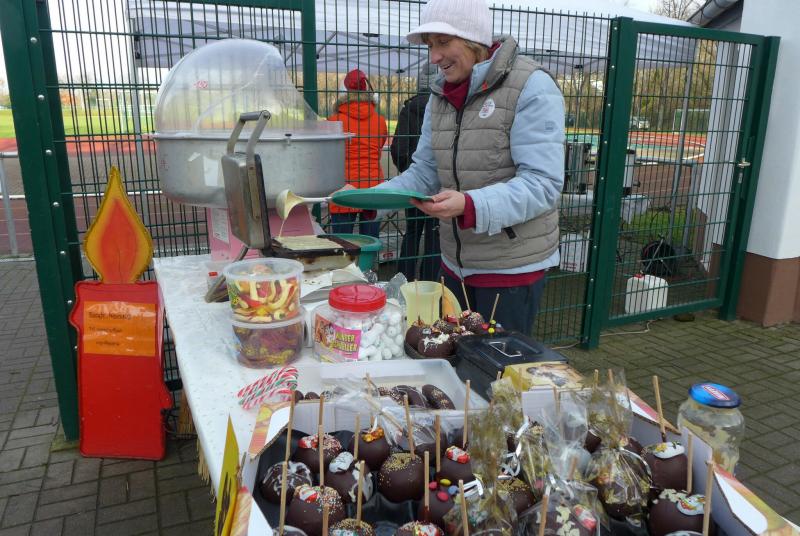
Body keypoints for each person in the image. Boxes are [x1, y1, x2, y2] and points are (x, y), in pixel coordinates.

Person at [354, 0, 565, 335]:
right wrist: (367, 199)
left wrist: (469, 205)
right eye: (429, 45)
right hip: (454, 266)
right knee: (455, 358)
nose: (433, 57)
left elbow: (543, 184)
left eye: (442, 42)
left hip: (510, 271)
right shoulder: (440, 96)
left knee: (495, 364)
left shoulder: (531, 85)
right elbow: (424, 172)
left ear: (473, 39)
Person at [391, 62, 441, 282]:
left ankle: (404, 278)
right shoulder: (444, 108)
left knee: (412, 232)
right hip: (438, 184)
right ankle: (430, 281)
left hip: (413, 182)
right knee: (433, 234)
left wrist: (407, 169)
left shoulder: (408, 109)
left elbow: (398, 148)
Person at [327, 69, 388, 238]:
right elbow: (379, 146)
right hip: (372, 186)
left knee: (342, 241)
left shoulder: (333, 122)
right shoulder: (380, 121)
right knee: (370, 240)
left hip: (344, 186)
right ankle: (369, 257)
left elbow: (328, 155)